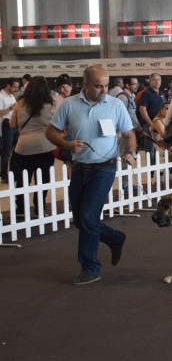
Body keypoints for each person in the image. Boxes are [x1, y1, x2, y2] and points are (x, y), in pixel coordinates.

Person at [45, 65, 136, 285]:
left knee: (87, 218)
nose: (104, 89)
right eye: (98, 86)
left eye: (106, 85)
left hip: (104, 168)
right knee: (80, 219)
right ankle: (115, 238)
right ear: (84, 84)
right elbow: (50, 131)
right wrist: (66, 143)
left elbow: (128, 133)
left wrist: (131, 152)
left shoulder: (115, 105)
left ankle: (90, 268)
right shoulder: (69, 105)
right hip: (79, 168)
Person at [9, 76, 62, 218]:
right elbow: (59, 124)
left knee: (22, 179)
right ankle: (40, 210)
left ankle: (20, 209)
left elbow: (12, 125)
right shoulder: (51, 103)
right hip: (45, 146)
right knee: (42, 180)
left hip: (24, 147)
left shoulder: (19, 103)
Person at [0, 77, 20, 184]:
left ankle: (13, 173)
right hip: (6, 124)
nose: (16, 89)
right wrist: (11, 108)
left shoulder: (12, 96)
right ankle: (4, 175)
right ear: (8, 86)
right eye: (15, 86)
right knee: (6, 152)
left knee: (16, 151)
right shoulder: (1, 96)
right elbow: (0, 113)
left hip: (15, 123)